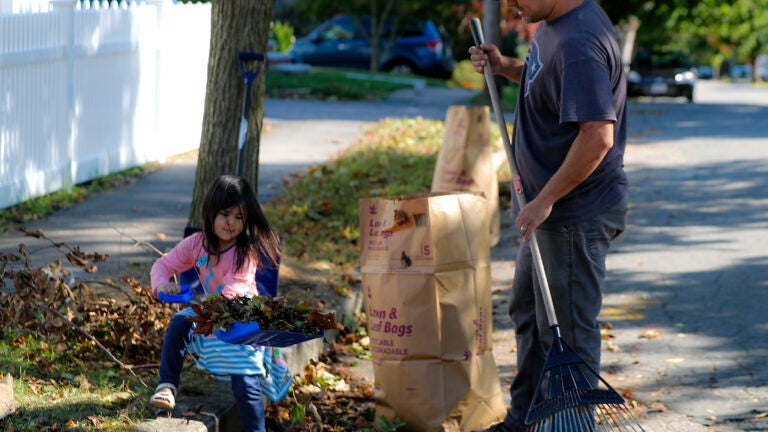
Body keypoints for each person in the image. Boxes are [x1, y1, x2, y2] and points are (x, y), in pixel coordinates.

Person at [469, 0, 628, 430]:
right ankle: (525, 420)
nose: (513, 3)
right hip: (545, 210)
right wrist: (506, 67)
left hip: (572, 215)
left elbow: (598, 137)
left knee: (568, 337)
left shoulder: (579, 40)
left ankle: (573, 426)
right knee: (529, 314)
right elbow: (550, 81)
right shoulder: (557, 22)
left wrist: (546, 200)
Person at [148, 175, 281, 432]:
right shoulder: (197, 244)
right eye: (225, 214)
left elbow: (236, 288)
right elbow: (164, 264)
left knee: (245, 382)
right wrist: (162, 284)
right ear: (210, 212)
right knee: (179, 322)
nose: (231, 223)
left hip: (243, 321)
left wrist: (211, 309)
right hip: (212, 315)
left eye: (239, 217)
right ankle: (166, 386)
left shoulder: (245, 252)